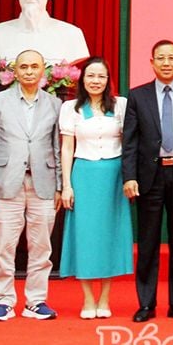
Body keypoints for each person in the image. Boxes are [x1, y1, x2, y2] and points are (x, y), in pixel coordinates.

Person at [0, 49, 62, 321]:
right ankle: (3, 301)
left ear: (43, 71)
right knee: (4, 245)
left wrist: (60, 186)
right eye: (23, 66)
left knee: (41, 247)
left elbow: (57, 148)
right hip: (5, 184)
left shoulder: (54, 104)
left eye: (34, 66)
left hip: (43, 184)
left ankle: (36, 301)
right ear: (14, 72)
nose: (28, 71)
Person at [122, 40, 173, 322]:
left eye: (171, 58)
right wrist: (129, 176)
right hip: (149, 177)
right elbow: (129, 141)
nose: (166, 63)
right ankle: (146, 303)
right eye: (161, 58)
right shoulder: (137, 95)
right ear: (152, 62)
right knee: (148, 242)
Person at [58, 57, 132, 319]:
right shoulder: (70, 108)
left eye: (101, 76)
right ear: (82, 79)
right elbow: (67, 148)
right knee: (85, 236)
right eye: (90, 76)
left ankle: (105, 298)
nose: (95, 81)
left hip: (113, 177)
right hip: (84, 174)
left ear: (108, 79)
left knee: (110, 236)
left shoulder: (121, 105)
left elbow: (128, 143)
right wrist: (66, 185)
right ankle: (88, 299)